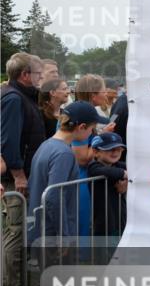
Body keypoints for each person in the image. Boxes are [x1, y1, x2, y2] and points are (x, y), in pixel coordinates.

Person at [1, 53, 44, 286]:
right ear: (25, 75)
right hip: (18, 179)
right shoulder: (13, 99)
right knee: (16, 231)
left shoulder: (20, 96)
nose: (41, 78)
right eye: (38, 73)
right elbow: (8, 141)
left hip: (24, 174)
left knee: (20, 230)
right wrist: (19, 175)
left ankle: (17, 285)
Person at [27, 101, 100, 243]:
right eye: (92, 129)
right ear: (82, 127)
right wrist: (64, 236)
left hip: (41, 229)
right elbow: (54, 197)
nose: (92, 133)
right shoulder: (64, 154)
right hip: (52, 234)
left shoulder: (47, 144)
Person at [87, 132, 127, 237]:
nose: (115, 153)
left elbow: (137, 171)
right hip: (102, 221)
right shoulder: (93, 166)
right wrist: (124, 174)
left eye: (119, 150)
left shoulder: (118, 165)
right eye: (110, 149)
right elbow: (105, 171)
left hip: (119, 218)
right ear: (96, 152)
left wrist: (126, 181)